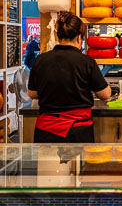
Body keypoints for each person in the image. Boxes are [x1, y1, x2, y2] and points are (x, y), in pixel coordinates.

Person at [28, 12, 111, 143]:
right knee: (77, 164)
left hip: (46, 131)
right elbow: (105, 94)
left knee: (47, 163)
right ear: (79, 38)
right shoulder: (86, 62)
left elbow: (32, 94)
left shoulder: (40, 60)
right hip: (77, 131)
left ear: (58, 36)